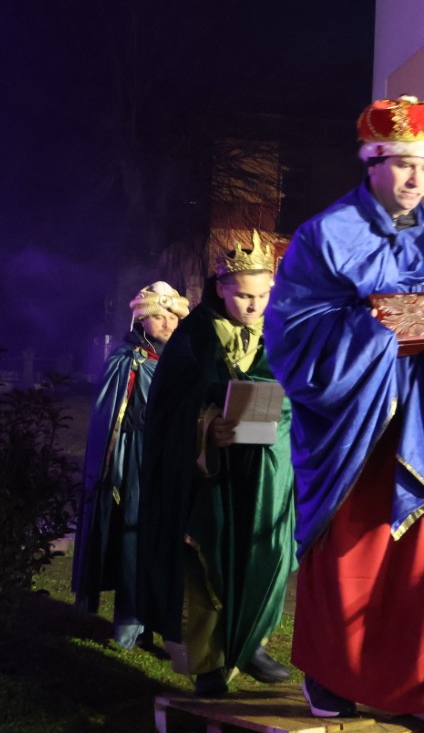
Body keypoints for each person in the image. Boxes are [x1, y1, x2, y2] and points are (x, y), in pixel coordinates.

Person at [264, 96, 424, 733]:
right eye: (405, 165)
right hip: (352, 434)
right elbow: (293, 335)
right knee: (352, 559)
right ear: (374, 161)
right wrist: (390, 322)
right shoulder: (324, 235)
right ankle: (331, 677)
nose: (418, 179)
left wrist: (406, 317)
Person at [135, 231, 296, 696]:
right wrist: (206, 426)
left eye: (262, 296)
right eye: (243, 296)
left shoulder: (281, 332)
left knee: (266, 551)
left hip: (267, 468)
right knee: (208, 560)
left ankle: (251, 640)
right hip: (212, 473)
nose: (254, 305)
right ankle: (209, 661)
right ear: (221, 288)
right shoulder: (194, 337)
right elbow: (167, 407)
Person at [71, 281, 188, 648]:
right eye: (159, 316)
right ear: (141, 320)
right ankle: (130, 619)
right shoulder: (126, 360)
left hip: (176, 462)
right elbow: (110, 419)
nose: (168, 323)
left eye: (173, 316)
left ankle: (162, 621)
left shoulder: (185, 361)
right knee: (134, 539)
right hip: (138, 462)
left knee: (169, 543)